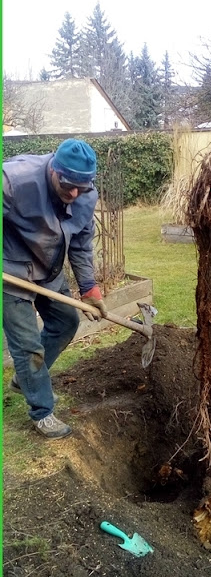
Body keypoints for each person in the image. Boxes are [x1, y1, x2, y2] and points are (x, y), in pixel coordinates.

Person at [3, 138, 107, 439]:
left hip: (49, 270)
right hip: (11, 271)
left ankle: (26, 381)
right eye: (67, 185)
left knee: (66, 321)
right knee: (27, 347)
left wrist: (89, 287)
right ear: (53, 170)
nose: (74, 194)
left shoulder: (85, 195)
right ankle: (42, 411)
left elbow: (81, 244)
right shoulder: (14, 180)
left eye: (82, 187)